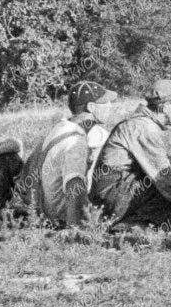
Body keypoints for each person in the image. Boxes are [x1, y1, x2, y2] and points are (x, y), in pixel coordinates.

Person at [90, 80, 171, 229]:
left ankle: (137, 222)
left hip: (112, 193)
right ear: (165, 106)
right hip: (111, 196)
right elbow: (166, 177)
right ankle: (138, 223)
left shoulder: (142, 124)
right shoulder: (144, 128)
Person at [12, 82, 111, 229]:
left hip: (46, 206)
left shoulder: (62, 127)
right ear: (91, 107)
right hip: (62, 214)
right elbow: (74, 184)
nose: (110, 105)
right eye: (105, 102)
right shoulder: (75, 142)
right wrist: (76, 227)